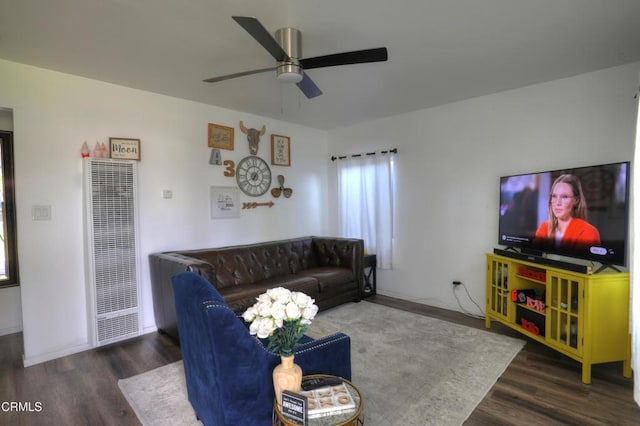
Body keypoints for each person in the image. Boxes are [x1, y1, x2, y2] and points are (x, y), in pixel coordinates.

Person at [535, 174, 600, 249]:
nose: (558, 203)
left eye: (564, 197)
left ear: (576, 200)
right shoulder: (544, 228)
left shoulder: (588, 231)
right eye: (554, 196)